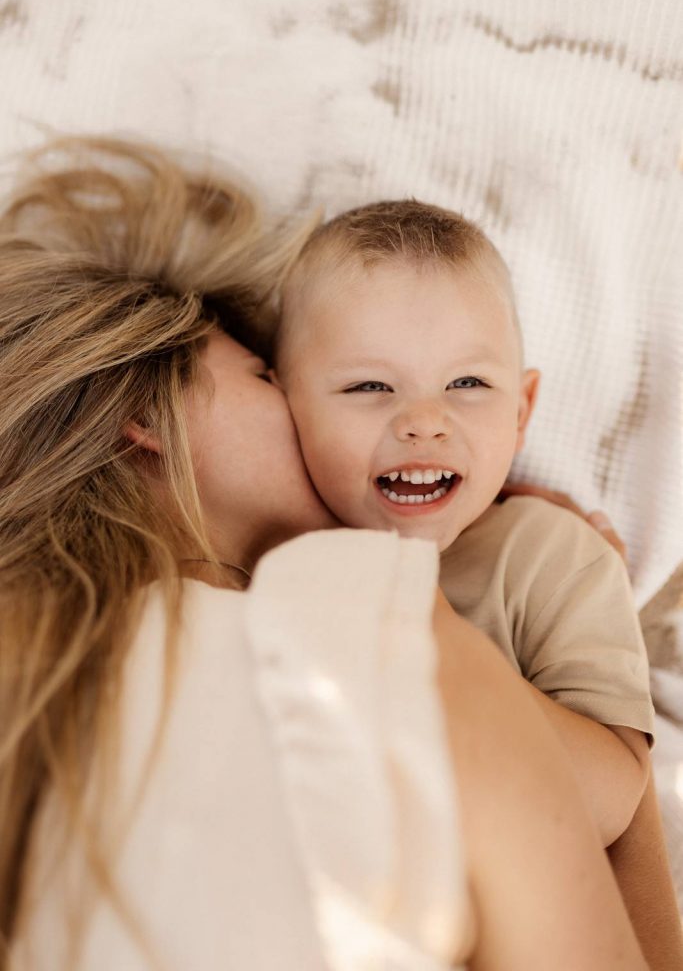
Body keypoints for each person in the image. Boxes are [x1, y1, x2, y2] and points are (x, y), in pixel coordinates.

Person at [0, 137, 649, 970]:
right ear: (149, 419)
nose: (417, 424)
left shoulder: (36, 658)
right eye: (265, 379)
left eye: (467, 386)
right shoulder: (376, 622)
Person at [273, 198, 683, 966]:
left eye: (466, 382)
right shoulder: (278, 569)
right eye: (368, 387)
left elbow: (611, 798)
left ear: (522, 410)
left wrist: (429, 645)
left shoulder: (548, 555)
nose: (423, 421)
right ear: (284, 402)